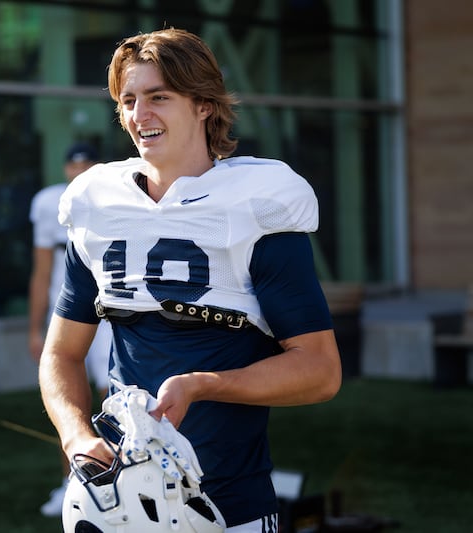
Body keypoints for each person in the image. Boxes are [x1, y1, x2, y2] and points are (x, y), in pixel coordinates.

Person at [38, 28, 342, 533]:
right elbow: (62, 354)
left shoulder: (255, 203)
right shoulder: (98, 205)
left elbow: (319, 370)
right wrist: (74, 435)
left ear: (204, 104)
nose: (140, 115)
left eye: (159, 97)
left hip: (233, 503)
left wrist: (204, 386)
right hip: (124, 501)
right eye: (129, 100)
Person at [28, 142, 112, 517]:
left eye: (86, 163)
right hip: (68, 311)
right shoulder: (49, 203)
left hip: (110, 309)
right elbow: (41, 270)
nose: (79, 169)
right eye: (73, 163)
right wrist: (34, 327)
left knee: (114, 394)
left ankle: (120, 480)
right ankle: (73, 482)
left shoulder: (116, 194)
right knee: (68, 396)